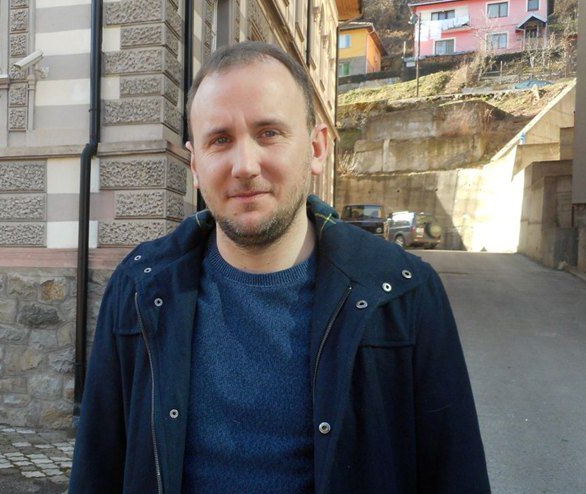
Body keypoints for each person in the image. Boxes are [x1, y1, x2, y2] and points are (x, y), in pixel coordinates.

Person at [69, 41, 490, 493]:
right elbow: (97, 472)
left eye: (268, 133)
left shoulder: (403, 293)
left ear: (316, 147)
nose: (244, 166)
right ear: (195, 163)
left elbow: (455, 475)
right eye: (220, 140)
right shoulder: (139, 289)